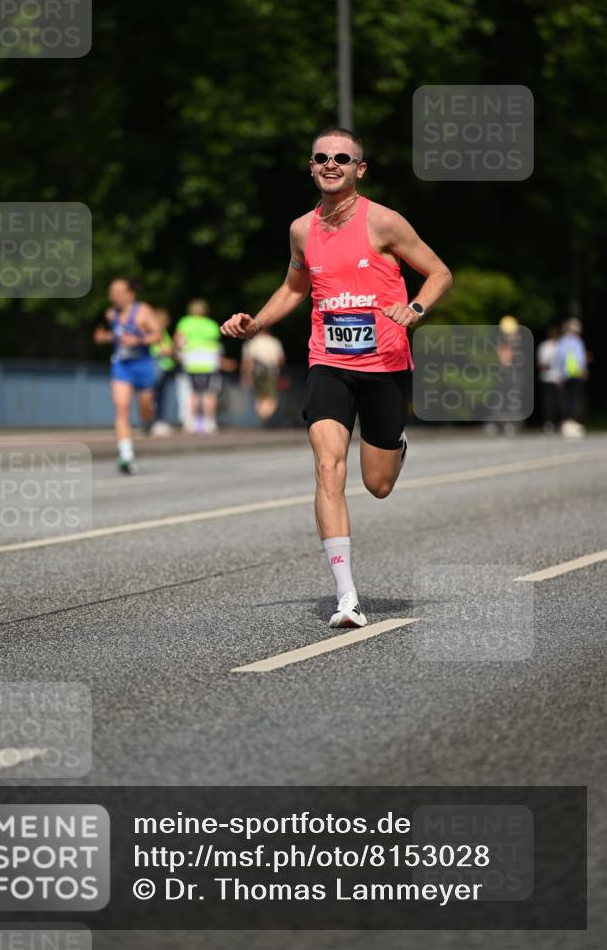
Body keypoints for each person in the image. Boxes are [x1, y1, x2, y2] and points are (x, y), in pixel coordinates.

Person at [222, 128, 452, 628]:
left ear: (358, 170)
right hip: (328, 362)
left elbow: (439, 273)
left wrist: (414, 308)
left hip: (385, 365)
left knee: (379, 484)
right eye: (322, 157)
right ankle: (347, 598)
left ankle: (395, 443)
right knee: (328, 468)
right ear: (311, 166)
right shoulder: (301, 230)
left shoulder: (385, 222)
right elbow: (293, 287)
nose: (332, 164)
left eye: (342, 158)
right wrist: (257, 323)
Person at [93, 278, 160, 473]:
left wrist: (138, 340)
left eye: (118, 291)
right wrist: (103, 338)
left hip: (143, 365)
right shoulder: (110, 314)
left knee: (144, 408)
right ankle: (126, 455)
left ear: (131, 294)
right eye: (111, 291)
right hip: (121, 366)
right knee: (121, 409)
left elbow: (157, 335)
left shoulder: (143, 311)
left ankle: (148, 420)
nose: (113, 295)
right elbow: (107, 335)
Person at [174, 299, 223, 434]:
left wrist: (178, 355)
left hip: (192, 360)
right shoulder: (211, 324)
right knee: (210, 393)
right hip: (209, 361)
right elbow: (216, 342)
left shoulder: (185, 322)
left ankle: (191, 423)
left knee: (194, 392)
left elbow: (178, 340)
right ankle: (210, 423)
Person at [241, 327, 286, 422]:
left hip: (257, 371)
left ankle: (262, 415)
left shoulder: (251, 342)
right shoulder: (274, 342)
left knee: (259, 395)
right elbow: (280, 359)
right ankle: (266, 415)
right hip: (272, 371)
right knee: (271, 395)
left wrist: (245, 376)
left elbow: (247, 361)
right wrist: (282, 373)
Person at [555, 317, 588, 438]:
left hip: (565, 374)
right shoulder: (578, 341)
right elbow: (581, 359)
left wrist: (559, 374)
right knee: (576, 399)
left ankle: (568, 423)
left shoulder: (563, 341)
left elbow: (559, 358)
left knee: (567, 399)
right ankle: (575, 422)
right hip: (577, 374)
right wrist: (584, 370)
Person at [150, 308, 176, 435]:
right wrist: (168, 351)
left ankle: (157, 421)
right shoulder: (158, 330)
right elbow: (164, 348)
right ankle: (157, 422)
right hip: (158, 364)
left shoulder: (162, 331)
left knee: (159, 395)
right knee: (157, 395)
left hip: (164, 365)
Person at [536, 326, 561, 432]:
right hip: (547, 377)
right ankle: (549, 422)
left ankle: (558, 422)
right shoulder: (545, 346)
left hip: (558, 378)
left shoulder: (560, 345)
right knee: (548, 402)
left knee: (558, 402)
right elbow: (540, 363)